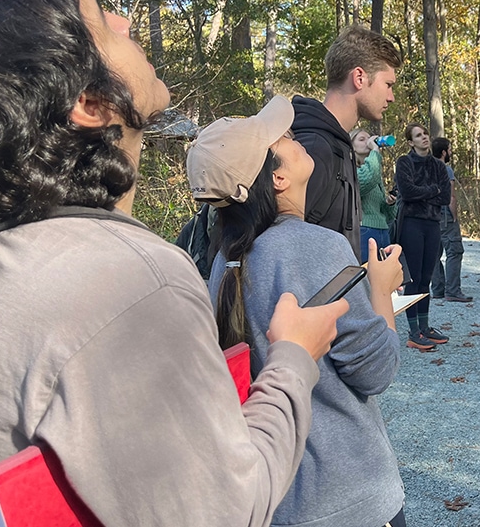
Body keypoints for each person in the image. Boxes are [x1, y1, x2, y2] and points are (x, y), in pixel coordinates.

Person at [0, 0, 343, 526]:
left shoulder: (0, 259)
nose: (125, 20)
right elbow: (229, 510)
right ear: (90, 102)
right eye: (100, 18)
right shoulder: (131, 283)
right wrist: (294, 357)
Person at [191, 97, 408, 527]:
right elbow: (376, 372)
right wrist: (381, 291)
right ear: (278, 177)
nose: (295, 137)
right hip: (347, 498)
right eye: (285, 137)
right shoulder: (317, 246)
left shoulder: (224, 261)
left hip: (280, 501)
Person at [291, 25, 402, 261]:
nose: (391, 97)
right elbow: (290, 252)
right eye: (388, 85)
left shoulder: (341, 146)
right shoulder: (314, 148)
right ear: (359, 77)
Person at [395, 124, 452, 351]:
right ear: (411, 142)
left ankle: (425, 326)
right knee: (414, 277)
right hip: (411, 224)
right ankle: (413, 331)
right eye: (419, 136)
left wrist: (426, 192)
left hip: (432, 224)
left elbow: (445, 196)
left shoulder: (438, 165)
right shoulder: (404, 163)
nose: (424, 138)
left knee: (427, 277)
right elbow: (407, 192)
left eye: (425, 134)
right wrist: (432, 191)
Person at [429, 137, 473, 303]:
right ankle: (453, 290)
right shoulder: (445, 169)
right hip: (444, 214)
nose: (451, 152)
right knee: (454, 251)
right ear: (443, 152)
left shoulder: (426, 168)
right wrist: (454, 216)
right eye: (450, 149)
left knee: (434, 252)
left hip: (430, 214)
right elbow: (451, 196)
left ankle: (438, 288)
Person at [352, 128, 397, 264]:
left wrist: (389, 203)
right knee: (367, 278)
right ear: (351, 146)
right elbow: (366, 180)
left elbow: (388, 215)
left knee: (384, 279)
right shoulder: (352, 171)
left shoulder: (374, 172)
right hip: (364, 230)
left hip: (383, 231)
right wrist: (375, 151)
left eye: (369, 138)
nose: (368, 142)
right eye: (362, 139)